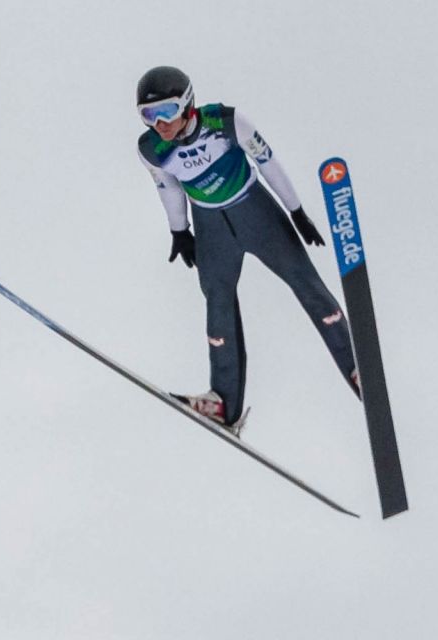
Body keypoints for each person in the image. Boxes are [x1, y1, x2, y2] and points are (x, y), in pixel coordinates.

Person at [136, 66, 359, 434]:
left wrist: (296, 210)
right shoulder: (151, 149)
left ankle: (356, 367)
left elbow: (266, 160)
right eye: (149, 115)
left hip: (255, 212)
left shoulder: (227, 122)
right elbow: (169, 189)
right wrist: (180, 231)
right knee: (217, 303)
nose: (159, 123)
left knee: (305, 283)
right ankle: (224, 403)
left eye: (167, 111)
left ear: (188, 103)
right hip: (210, 228)